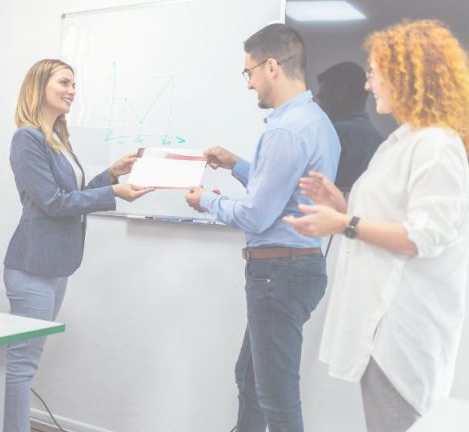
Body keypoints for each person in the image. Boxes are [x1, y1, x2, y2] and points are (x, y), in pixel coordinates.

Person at [283, 19, 469, 432]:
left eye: (374, 73)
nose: (368, 86)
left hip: (404, 328)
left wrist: (344, 222)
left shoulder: (437, 146)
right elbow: (386, 215)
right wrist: (340, 203)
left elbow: (424, 235)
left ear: (406, 75)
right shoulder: (404, 140)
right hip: (381, 321)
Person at [185, 24, 340, 432]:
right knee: (251, 381)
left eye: (249, 72)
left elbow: (256, 215)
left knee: (276, 399)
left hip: (278, 274)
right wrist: (236, 163)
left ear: (271, 67)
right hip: (291, 269)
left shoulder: (286, 129)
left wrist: (207, 200)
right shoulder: (313, 121)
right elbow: (282, 187)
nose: (249, 83)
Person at [3, 58, 152, 432]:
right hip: (32, 266)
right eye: (64, 82)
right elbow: (53, 202)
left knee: (26, 363)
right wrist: (114, 192)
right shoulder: (27, 138)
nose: (72, 91)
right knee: (22, 366)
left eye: (74, 84)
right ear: (39, 86)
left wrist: (111, 175)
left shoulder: (57, 139)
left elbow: (74, 196)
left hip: (56, 266)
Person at [315, 61, 383, 192]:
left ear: (341, 92)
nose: (320, 106)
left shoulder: (333, 135)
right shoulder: (381, 142)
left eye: (323, 97)